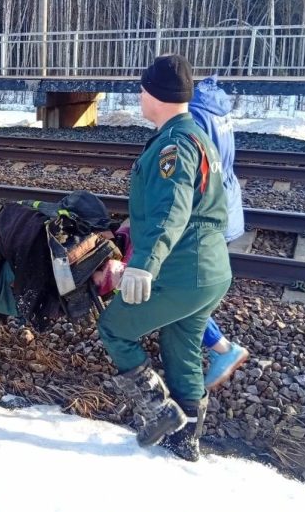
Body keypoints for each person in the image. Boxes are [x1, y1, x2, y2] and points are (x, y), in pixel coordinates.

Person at [98, 54, 232, 462]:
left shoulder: (173, 145)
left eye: (142, 89)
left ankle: (158, 412)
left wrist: (145, 264)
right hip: (209, 272)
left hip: (182, 269)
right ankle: (186, 439)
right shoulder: (194, 134)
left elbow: (172, 208)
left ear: (154, 94)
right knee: (181, 347)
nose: (139, 96)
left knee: (115, 327)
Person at [190, 76, 249, 390]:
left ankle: (221, 348)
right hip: (228, 199)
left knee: (183, 291)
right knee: (195, 288)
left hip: (211, 209)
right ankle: (213, 343)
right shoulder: (214, 103)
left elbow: (195, 168)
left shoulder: (193, 112)